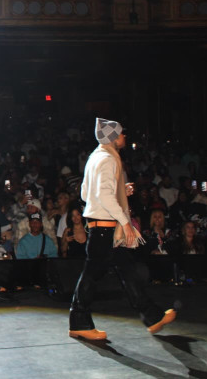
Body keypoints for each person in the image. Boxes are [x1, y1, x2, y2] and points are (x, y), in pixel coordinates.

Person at [69, 118, 176, 341]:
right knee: (92, 275)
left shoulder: (95, 157)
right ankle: (79, 321)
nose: (124, 137)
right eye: (122, 134)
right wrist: (125, 222)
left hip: (103, 230)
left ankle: (152, 315)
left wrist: (120, 190)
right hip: (104, 230)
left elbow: (85, 194)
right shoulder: (108, 159)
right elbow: (103, 195)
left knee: (126, 271)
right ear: (114, 137)